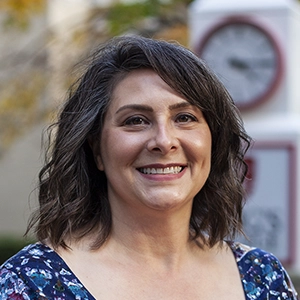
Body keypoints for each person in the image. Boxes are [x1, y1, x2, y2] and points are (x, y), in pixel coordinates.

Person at [0, 35, 298, 300]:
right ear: (96, 149)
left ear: (213, 141)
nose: (164, 141)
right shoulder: (32, 285)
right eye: (135, 121)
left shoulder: (263, 279)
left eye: (184, 117)